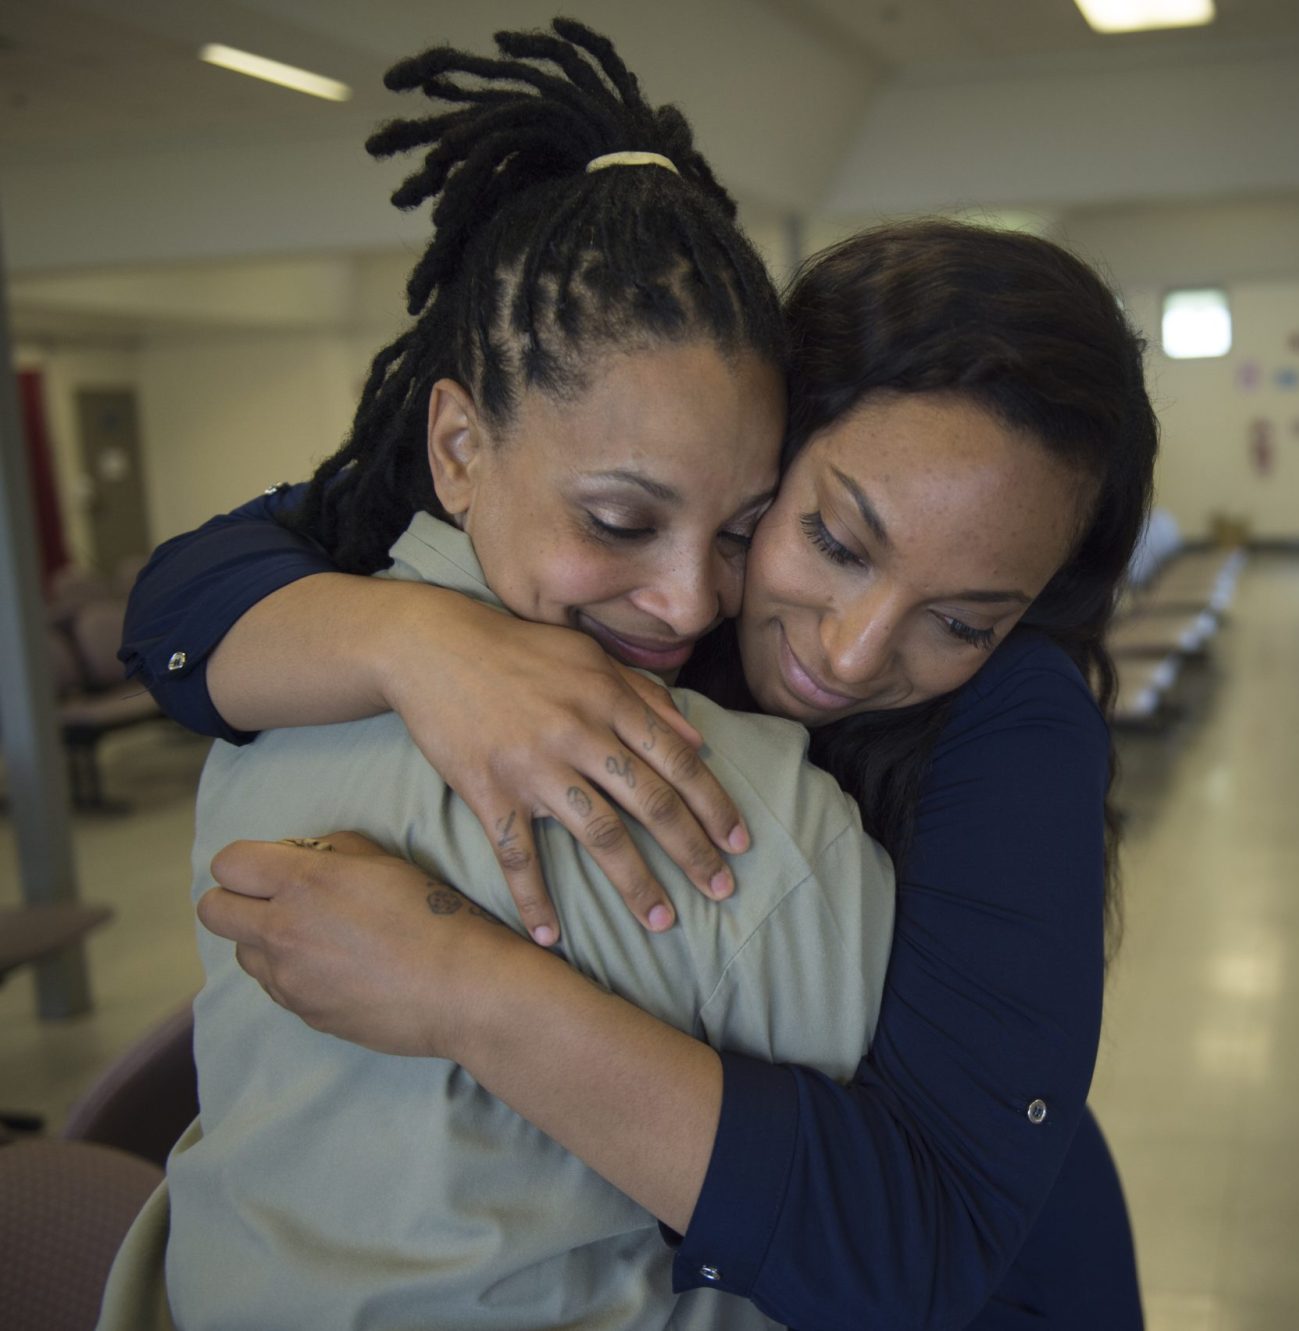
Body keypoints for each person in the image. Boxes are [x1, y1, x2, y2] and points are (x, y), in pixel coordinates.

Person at [119, 25, 1160, 1331]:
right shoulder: (670, 556)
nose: (849, 653)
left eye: (962, 618)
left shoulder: (1020, 729)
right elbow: (181, 597)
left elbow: (928, 1243)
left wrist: (465, 991)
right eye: (830, 539)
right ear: (773, 429)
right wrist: (411, 642)